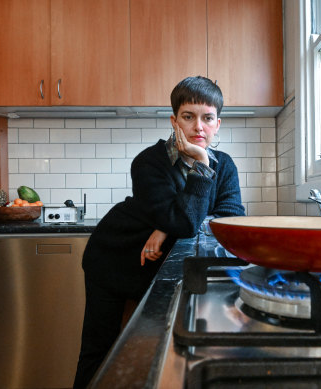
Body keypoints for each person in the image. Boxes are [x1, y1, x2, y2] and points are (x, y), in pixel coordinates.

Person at [73, 76, 245, 389]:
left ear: (218, 124)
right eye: (188, 117)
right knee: (100, 348)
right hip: (114, 257)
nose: (198, 128)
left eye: (207, 118)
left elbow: (230, 221)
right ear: (174, 120)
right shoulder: (148, 163)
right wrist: (201, 169)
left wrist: (165, 227)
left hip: (159, 265)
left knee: (149, 347)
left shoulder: (226, 166)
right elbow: (186, 221)